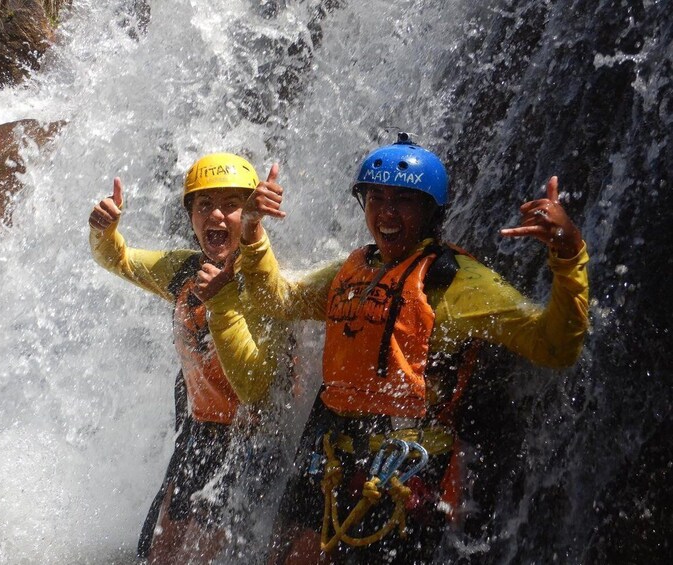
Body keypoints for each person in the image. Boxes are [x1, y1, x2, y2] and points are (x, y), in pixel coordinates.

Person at [237, 132, 590, 563]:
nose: (386, 212)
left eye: (402, 199)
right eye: (376, 198)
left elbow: (554, 348)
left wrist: (569, 256)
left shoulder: (460, 282)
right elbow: (277, 299)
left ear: (429, 211)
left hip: (404, 470)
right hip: (329, 452)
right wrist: (252, 230)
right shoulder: (353, 270)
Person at [88, 153, 293, 563]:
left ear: (252, 214)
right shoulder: (185, 270)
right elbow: (119, 259)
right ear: (191, 216)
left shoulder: (266, 286)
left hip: (250, 441)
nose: (216, 216)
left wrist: (223, 303)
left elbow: (256, 390)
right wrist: (104, 232)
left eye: (231, 205)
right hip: (201, 435)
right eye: (204, 206)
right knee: (155, 554)